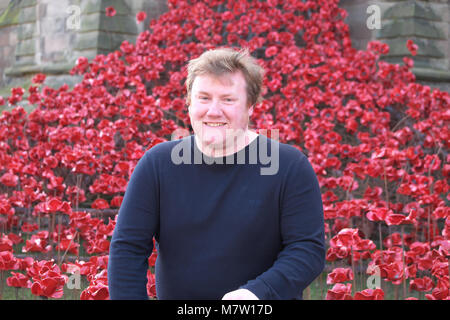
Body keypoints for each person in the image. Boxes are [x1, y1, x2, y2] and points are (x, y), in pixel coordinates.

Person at [107, 47, 325, 300]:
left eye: (228, 99)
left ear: (250, 105)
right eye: (204, 98)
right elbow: (128, 249)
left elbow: (307, 250)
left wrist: (256, 294)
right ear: (189, 102)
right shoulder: (157, 164)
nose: (213, 111)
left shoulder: (289, 166)